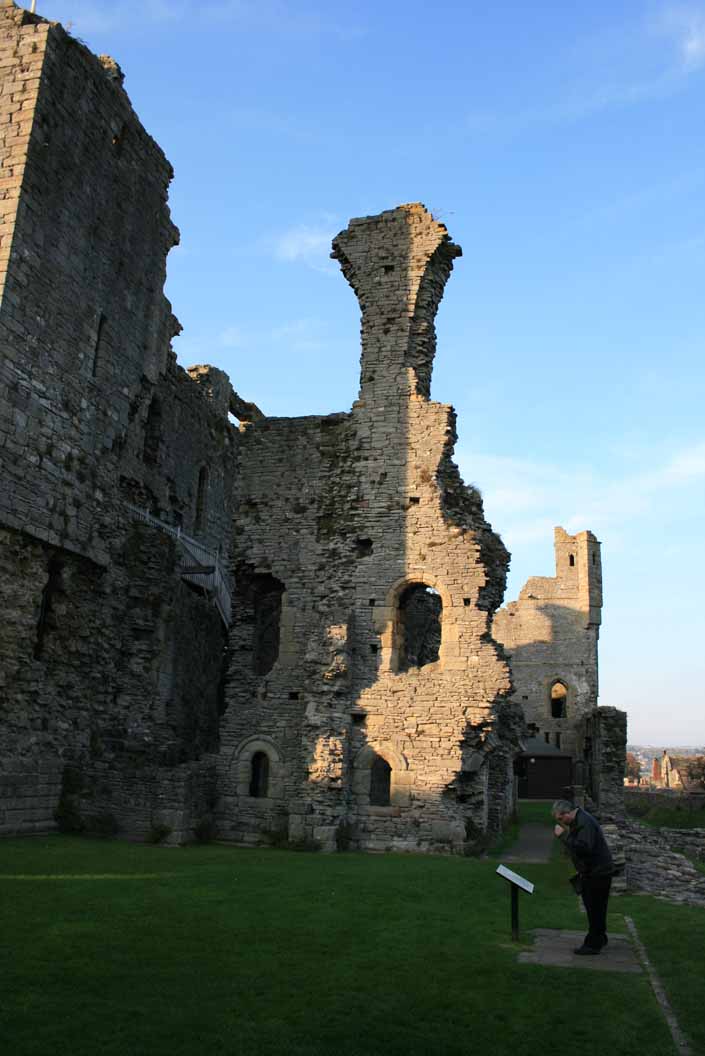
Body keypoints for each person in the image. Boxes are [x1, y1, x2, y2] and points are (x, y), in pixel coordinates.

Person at [552, 799, 614, 955]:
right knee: (596, 907)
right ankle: (600, 937)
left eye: (561, 818)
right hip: (594, 871)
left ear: (567, 812)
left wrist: (563, 836)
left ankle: (593, 945)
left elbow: (584, 848)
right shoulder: (579, 820)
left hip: (598, 872)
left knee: (594, 908)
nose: (561, 822)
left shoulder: (584, 823)